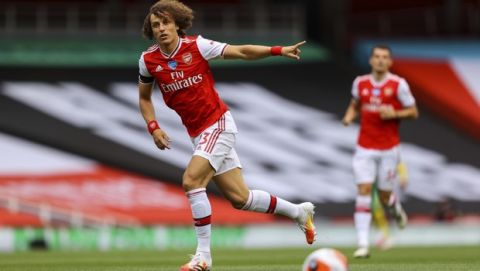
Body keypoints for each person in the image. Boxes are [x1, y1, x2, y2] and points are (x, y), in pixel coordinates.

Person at [137, 1, 316, 270]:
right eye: (155, 25)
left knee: (191, 180)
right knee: (239, 198)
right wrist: (154, 126)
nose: (161, 29)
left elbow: (241, 51)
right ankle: (298, 212)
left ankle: (203, 257)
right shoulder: (148, 61)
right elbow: (144, 98)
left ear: (177, 24)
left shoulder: (196, 46)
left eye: (165, 23)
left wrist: (277, 50)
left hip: (218, 124)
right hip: (198, 134)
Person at [342, 45, 418, 258]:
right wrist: (349, 116)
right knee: (364, 190)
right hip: (364, 147)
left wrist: (394, 113)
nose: (380, 60)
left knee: (385, 196)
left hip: (389, 149)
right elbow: (355, 104)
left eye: (385, 57)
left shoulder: (398, 85)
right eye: (377, 57)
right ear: (371, 61)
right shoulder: (360, 83)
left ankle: (396, 209)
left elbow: (413, 111)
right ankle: (363, 244)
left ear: (390, 62)